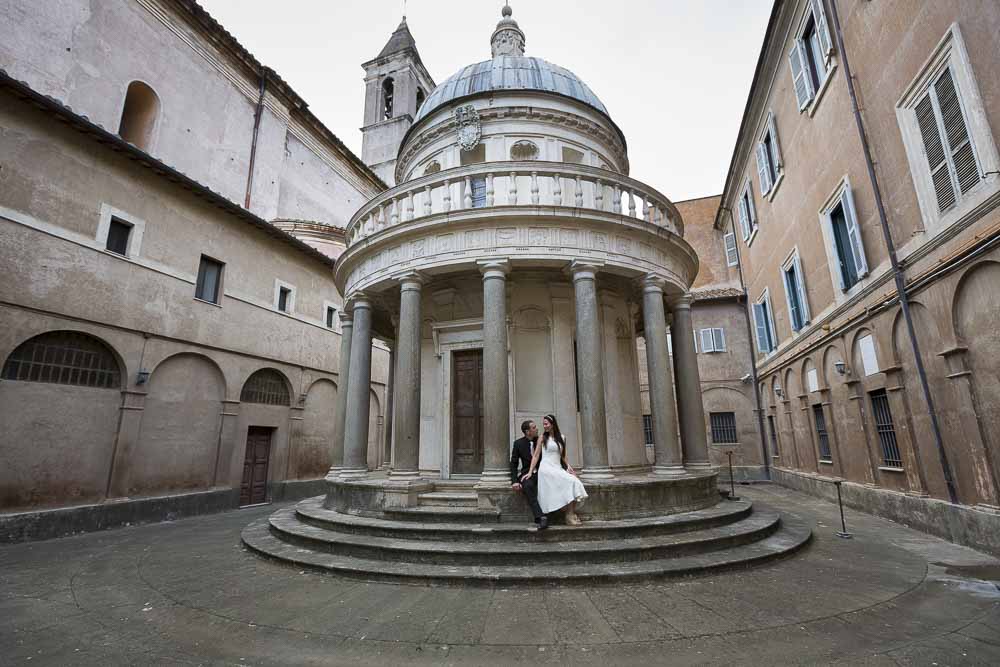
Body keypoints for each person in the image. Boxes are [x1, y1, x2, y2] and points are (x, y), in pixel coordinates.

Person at [524, 414, 587, 525]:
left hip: (557, 466)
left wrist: (569, 467)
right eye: (543, 424)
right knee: (568, 481)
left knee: (574, 481)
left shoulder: (562, 437)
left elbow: (563, 456)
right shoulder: (542, 437)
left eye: (546, 424)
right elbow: (536, 456)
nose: (544, 426)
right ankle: (570, 515)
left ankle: (569, 514)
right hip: (546, 467)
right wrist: (530, 472)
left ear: (553, 424)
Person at [510, 420, 547, 529]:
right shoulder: (518, 444)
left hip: (543, 472)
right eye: (534, 427)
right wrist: (515, 481)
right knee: (527, 486)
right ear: (527, 432)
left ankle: (540, 516)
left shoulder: (541, 440)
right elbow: (513, 464)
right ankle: (541, 516)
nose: (537, 429)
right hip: (527, 473)